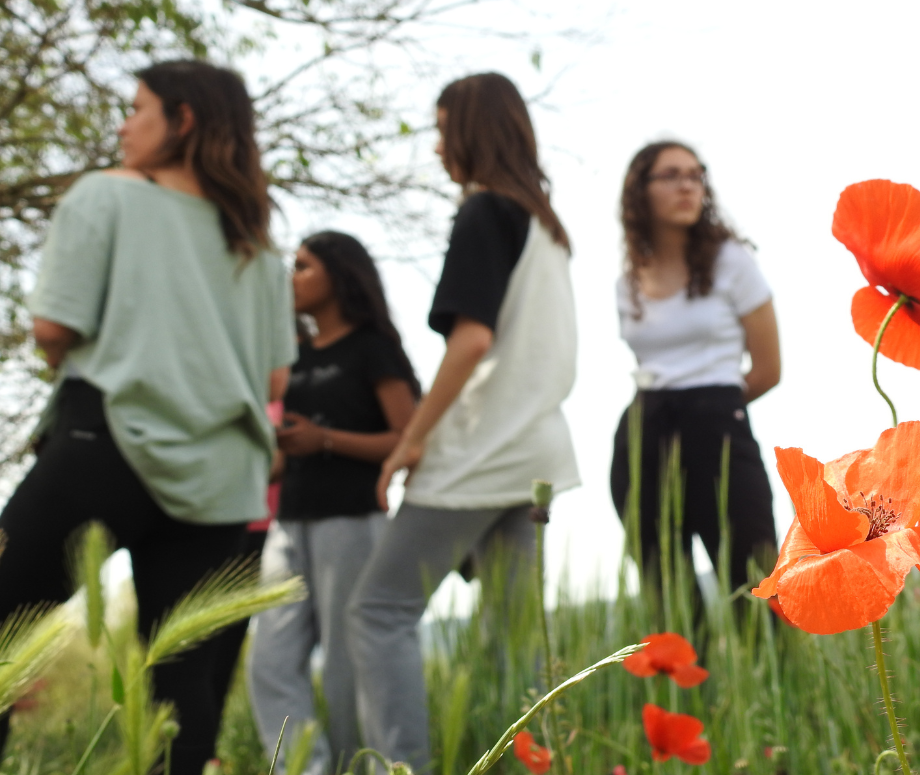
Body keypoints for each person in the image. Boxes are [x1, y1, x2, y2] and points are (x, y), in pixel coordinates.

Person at [0, 60, 295, 773]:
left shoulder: (104, 197)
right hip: (224, 478)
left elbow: (51, 328)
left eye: (137, 109)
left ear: (182, 119)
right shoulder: (257, 247)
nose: (124, 125)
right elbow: (274, 378)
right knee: (182, 684)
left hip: (105, 445)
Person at [346, 72, 578, 770]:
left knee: (378, 609)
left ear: (469, 131)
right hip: (534, 445)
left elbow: (471, 341)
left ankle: (401, 767)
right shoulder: (546, 226)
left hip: (482, 444)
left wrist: (410, 441)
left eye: (443, 128)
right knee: (514, 635)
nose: (438, 145)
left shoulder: (483, 211)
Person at [248, 231, 420, 773]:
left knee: (349, 670)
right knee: (269, 663)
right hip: (289, 522)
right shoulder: (290, 355)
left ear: (338, 274)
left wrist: (326, 440)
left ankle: (358, 765)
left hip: (353, 521)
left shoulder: (373, 348)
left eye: (302, 266)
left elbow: (409, 438)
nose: (291, 277)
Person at [609, 141, 781, 608]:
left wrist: (715, 410)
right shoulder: (629, 282)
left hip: (719, 428)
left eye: (695, 174)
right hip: (644, 432)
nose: (687, 184)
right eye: (670, 175)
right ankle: (690, 679)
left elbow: (768, 370)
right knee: (667, 592)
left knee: (754, 581)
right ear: (640, 191)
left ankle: (767, 679)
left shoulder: (732, 261)